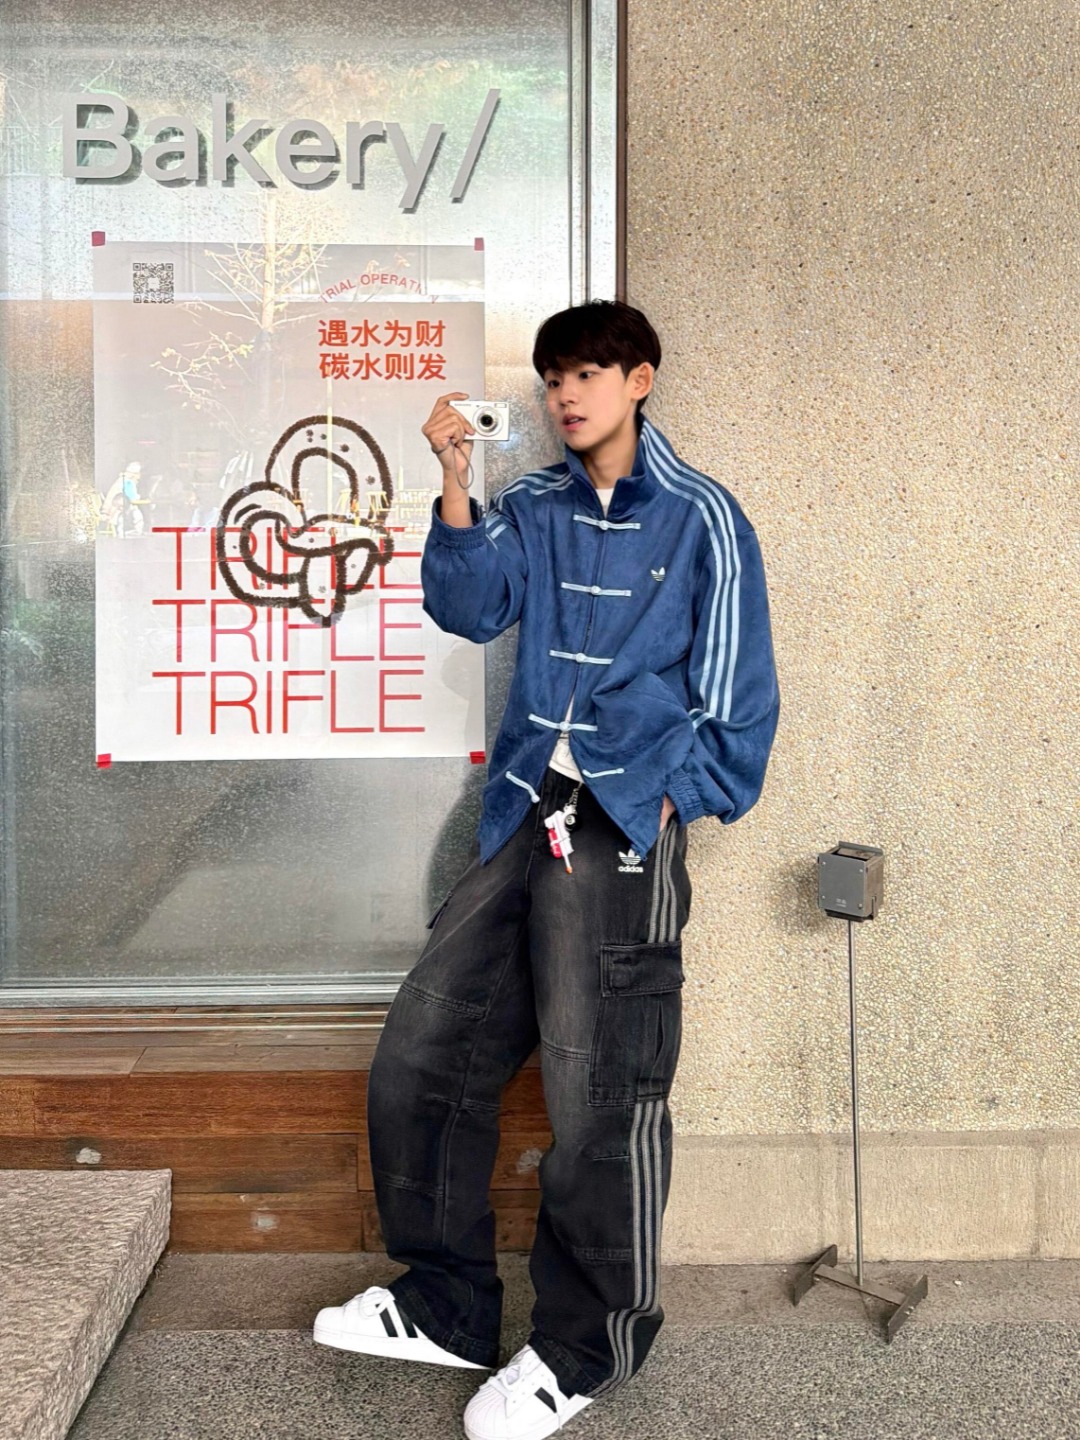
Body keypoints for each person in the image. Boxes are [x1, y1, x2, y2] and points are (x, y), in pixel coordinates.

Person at [313, 300, 781, 1439]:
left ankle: (585, 1348)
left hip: (619, 824)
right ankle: (447, 1306)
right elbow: (469, 608)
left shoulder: (705, 517)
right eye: (554, 378)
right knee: (427, 1050)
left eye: (589, 374)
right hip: (526, 809)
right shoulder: (529, 504)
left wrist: (675, 794)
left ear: (641, 379)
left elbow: (739, 696)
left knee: (599, 1093)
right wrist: (454, 483)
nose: (567, 396)